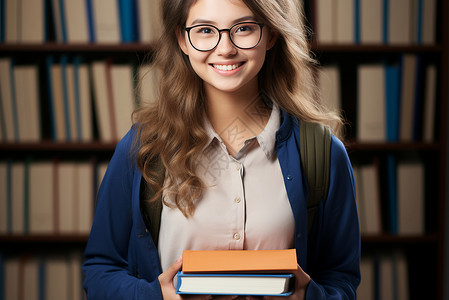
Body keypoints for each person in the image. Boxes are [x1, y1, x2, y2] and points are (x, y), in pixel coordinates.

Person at [82, 0, 361, 299]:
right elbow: (100, 269)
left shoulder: (323, 153)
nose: (225, 48)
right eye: (205, 30)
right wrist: (154, 296)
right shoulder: (144, 148)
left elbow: (341, 280)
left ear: (271, 35)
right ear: (181, 39)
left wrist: (310, 297)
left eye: (243, 28)